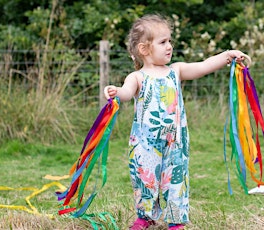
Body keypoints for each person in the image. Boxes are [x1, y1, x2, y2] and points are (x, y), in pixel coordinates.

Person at [103, 14, 247, 230]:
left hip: (176, 141)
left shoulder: (176, 71)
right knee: (145, 179)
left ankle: (176, 221)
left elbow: (204, 66)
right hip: (145, 144)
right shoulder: (137, 77)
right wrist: (115, 92)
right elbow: (126, 93)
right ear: (144, 49)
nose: (169, 46)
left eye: (169, 40)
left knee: (177, 180)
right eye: (163, 42)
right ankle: (145, 217)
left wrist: (227, 55)